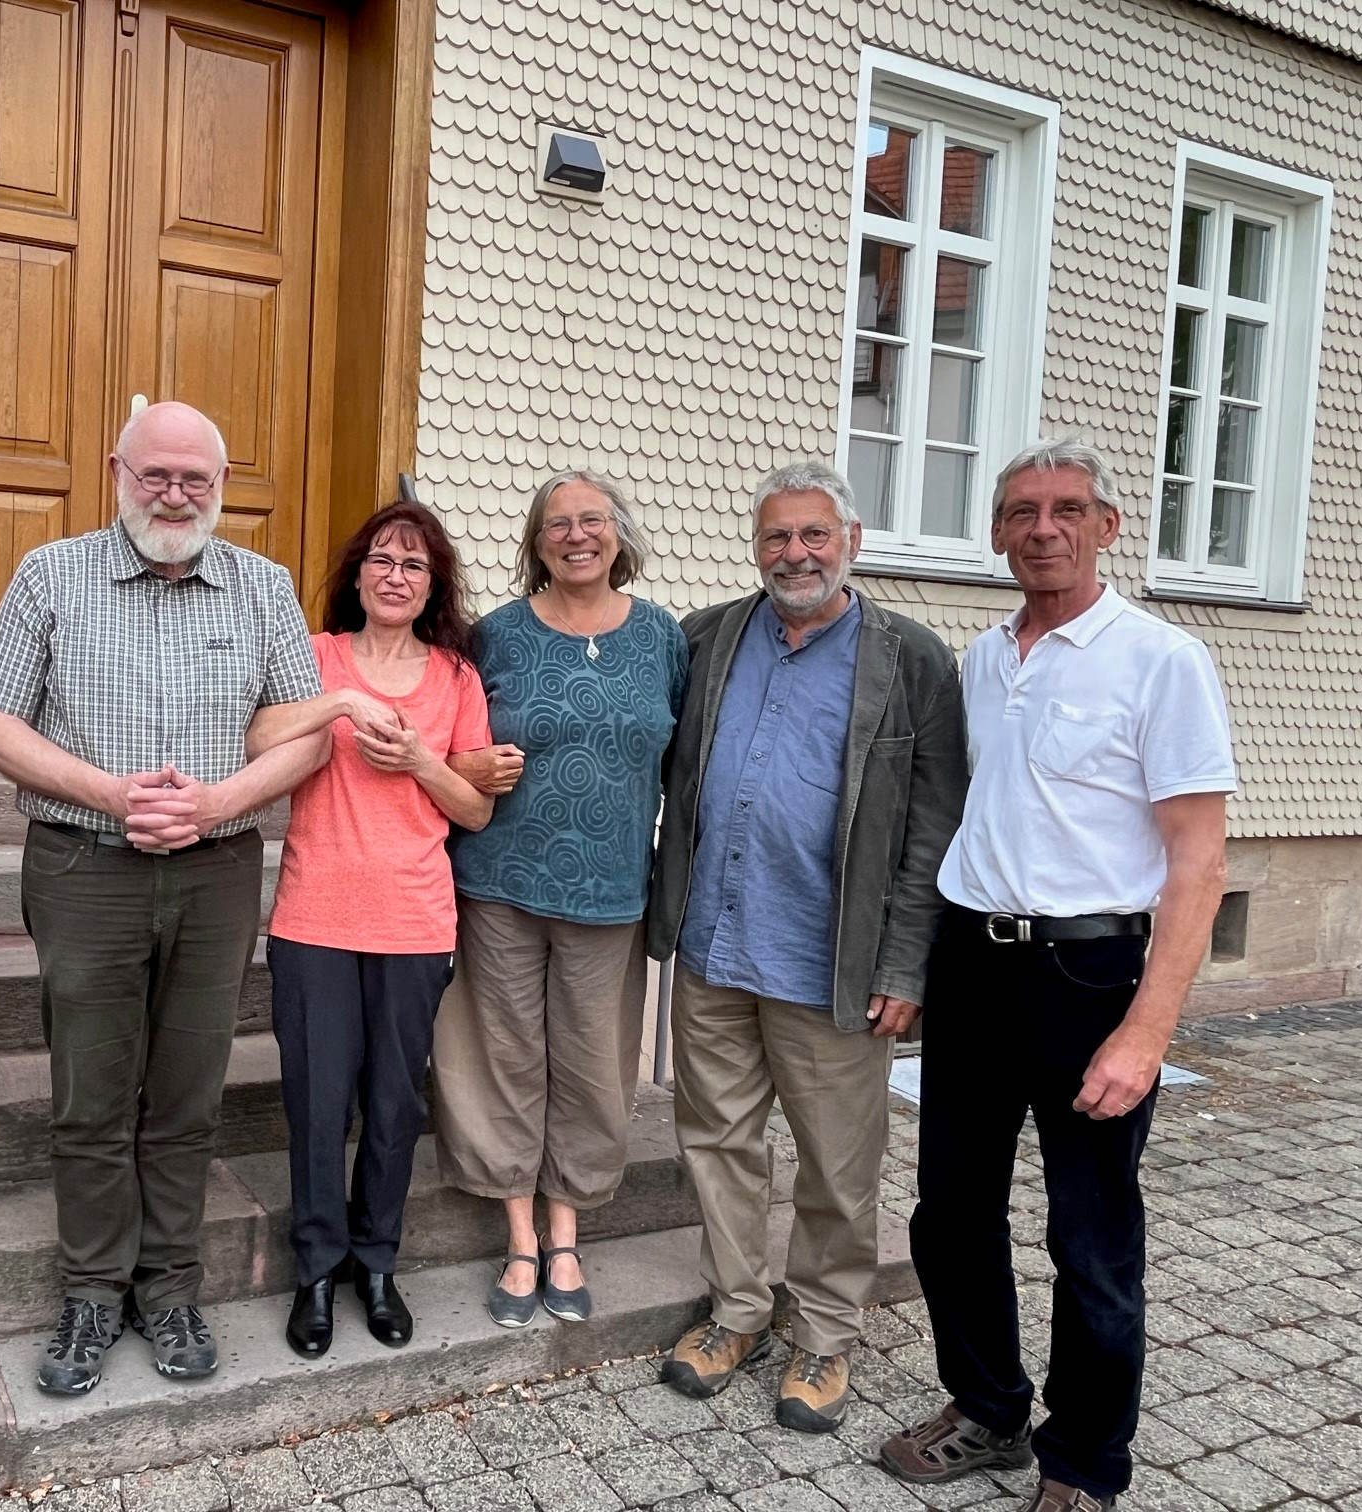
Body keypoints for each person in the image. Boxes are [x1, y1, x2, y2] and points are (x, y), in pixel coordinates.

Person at [878, 440, 1235, 1512]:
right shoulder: (985, 661)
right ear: (996, 532)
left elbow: (1199, 861)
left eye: (1068, 509)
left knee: (1090, 1234)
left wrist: (1147, 1032)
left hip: (1090, 974)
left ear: (1108, 526)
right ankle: (987, 1408)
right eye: (1022, 511)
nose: (1044, 529)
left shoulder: (1161, 661)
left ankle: (1083, 1459)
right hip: (973, 966)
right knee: (951, 1215)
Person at [0, 400, 325, 1395]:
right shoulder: (51, 574)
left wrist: (217, 804)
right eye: (155, 474)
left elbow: (306, 730)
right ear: (117, 471)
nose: (174, 495)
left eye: (194, 479)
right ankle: (91, 1291)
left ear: (221, 484)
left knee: (188, 1093)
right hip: (85, 869)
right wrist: (111, 795)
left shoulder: (264, 586)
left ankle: (169, 1288)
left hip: (216, 871)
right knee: (90, 1095)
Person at [646, 462, 968, 1431]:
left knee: (836, 1164)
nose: (795, 554)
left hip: (834, 964)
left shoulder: (910, 660)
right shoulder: (707, 638)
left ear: (851, 542)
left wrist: (906, 964)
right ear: (757, 547)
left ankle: (824, 1334)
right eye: (777, 537)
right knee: (716, 1141)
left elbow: (934, 827)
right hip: (713, 947)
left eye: (814, 535)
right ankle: (737, 1311)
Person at [438, 469, 689, 1327]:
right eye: (557, 524)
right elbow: (452, 743)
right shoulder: (495, 637)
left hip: (611, 891)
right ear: (536, 544)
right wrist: (470, 765)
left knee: (591, 1065)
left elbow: (679, 762)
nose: (576, 535)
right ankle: (519, 1238)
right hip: (500, 882)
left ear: (618, 534)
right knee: (503, 1056)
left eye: (592, 520)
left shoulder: (662, 638)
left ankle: (567, 1234)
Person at [249, 502, 493, 1358]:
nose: (396, 575)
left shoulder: (456, 678)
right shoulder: (316, 658)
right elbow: (258, 734)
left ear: (433, 587)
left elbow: (476, 808)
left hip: (414, 920)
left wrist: (420, 760)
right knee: (318, 1104)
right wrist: (344, 701)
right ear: (357, 575)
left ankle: (377, 1263)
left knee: (393, 1104)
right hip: (315, 915)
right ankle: (316, 1269)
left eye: (414, 565)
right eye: (382, 559)